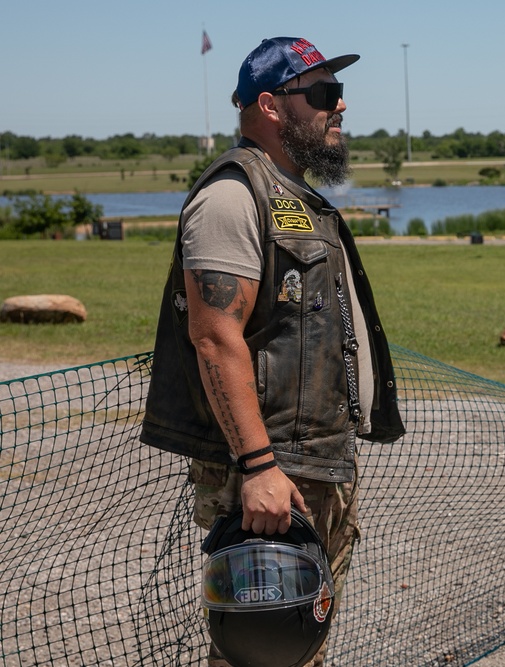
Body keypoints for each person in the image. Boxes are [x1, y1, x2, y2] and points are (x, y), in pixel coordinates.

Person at [139, 36, 405, 666]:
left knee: (299, 646)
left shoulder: (293, 195)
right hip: (271, 479)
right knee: (262, 651)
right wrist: (258, 466)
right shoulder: (233, 195)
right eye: (322, 94)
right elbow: (214, 337)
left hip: (312, 467)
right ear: (270, 105)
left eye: (337, 93)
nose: (339, 106)